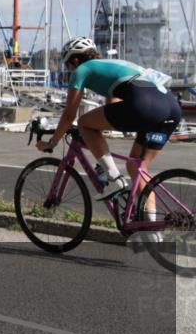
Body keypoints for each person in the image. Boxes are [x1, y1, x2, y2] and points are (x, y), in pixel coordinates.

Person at [37, 37, 182, 209]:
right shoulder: (113, 65)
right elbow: (112, 109)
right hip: (172, 108)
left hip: (144, 105)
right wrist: (95, 140)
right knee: (137, 167)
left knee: (84, 123)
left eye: (68, 65)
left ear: (75, 60)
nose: (69, 70)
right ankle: (150, 228)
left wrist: (52, 142)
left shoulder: (82, 69)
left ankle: (114, 179)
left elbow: (69, 116)